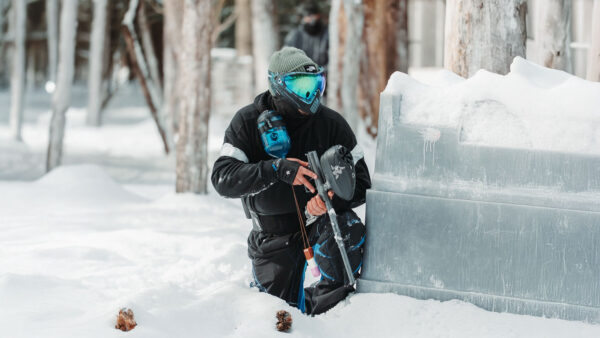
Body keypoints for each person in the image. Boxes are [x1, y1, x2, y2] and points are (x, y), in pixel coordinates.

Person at [211, 47, 371, 315]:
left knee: (346, 229)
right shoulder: (246, 122)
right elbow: (222, 178)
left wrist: (330, 196)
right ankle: (299, 310)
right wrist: (276, 169)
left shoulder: (332, 124)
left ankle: (329, 318)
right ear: (277, 85)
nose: (312, 94)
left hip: (321, 223)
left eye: (316, 84)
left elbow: (363, 182)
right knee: (277, 316)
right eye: (302, 86)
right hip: (272, 234)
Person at [284, 3, 329, 70]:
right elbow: (287, 58)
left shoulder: (327, 34)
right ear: (303, 18)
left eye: (314, 15)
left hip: (323, 75)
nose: (311, 19)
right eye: (308, 16)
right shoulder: (295, 35)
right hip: (301, 76)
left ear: (318, 16)